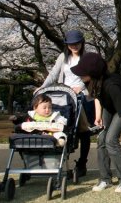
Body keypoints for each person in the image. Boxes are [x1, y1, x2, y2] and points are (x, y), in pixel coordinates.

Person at [71, 52, 121, 193]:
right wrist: (98, 116)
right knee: (101, 139)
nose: (80, 75)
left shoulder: (112, 86)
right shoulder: (92, 82)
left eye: (83, 72)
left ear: (93, 73)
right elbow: (97, 97)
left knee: (111, 140)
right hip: (108, 106)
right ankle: (105, 179)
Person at [36, 30, 92, 177]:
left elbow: (93, 76)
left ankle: (82, 163)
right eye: (71, 44)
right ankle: (57, 161)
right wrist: (42, 88)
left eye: (77, 43)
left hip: (81, 96)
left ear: (82, 43)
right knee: (61, 127)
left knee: (83, 131)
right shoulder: (63, 57)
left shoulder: (86, 57)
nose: (74, 46)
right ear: (67, 45)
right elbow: (54, 74)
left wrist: (82, 87)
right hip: (64, 95)